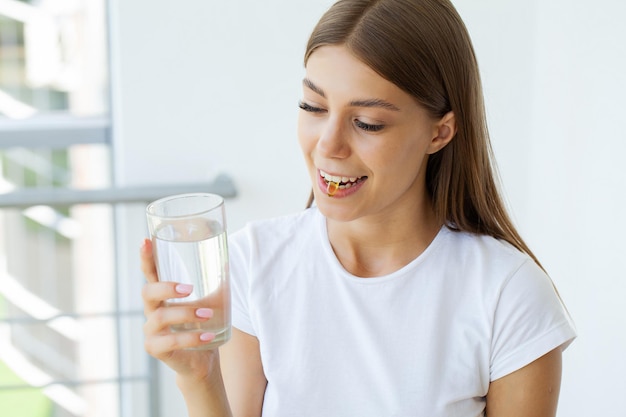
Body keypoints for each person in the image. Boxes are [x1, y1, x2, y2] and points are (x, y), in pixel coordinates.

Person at [140, 0, 576, 416]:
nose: (328, 145)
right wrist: (198, 378)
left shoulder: (509, 296)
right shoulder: (254, 265)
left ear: (440, 133)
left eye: (367, 123)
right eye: (313, 107)